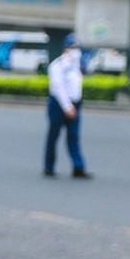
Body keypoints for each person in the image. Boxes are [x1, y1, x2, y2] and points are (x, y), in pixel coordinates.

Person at [43, 33, 91, 179]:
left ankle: (78, 167)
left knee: (74, 137)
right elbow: (58, 88)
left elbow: (76, 88)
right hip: (58, 104)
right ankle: (49, 167)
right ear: (65, 49)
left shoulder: (77, 67)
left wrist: (75, 105)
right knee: (54, 136)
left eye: (77, 47)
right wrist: (67, 107)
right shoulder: (57, 66)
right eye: (72, 47)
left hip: (75, 104)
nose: (76, 51)